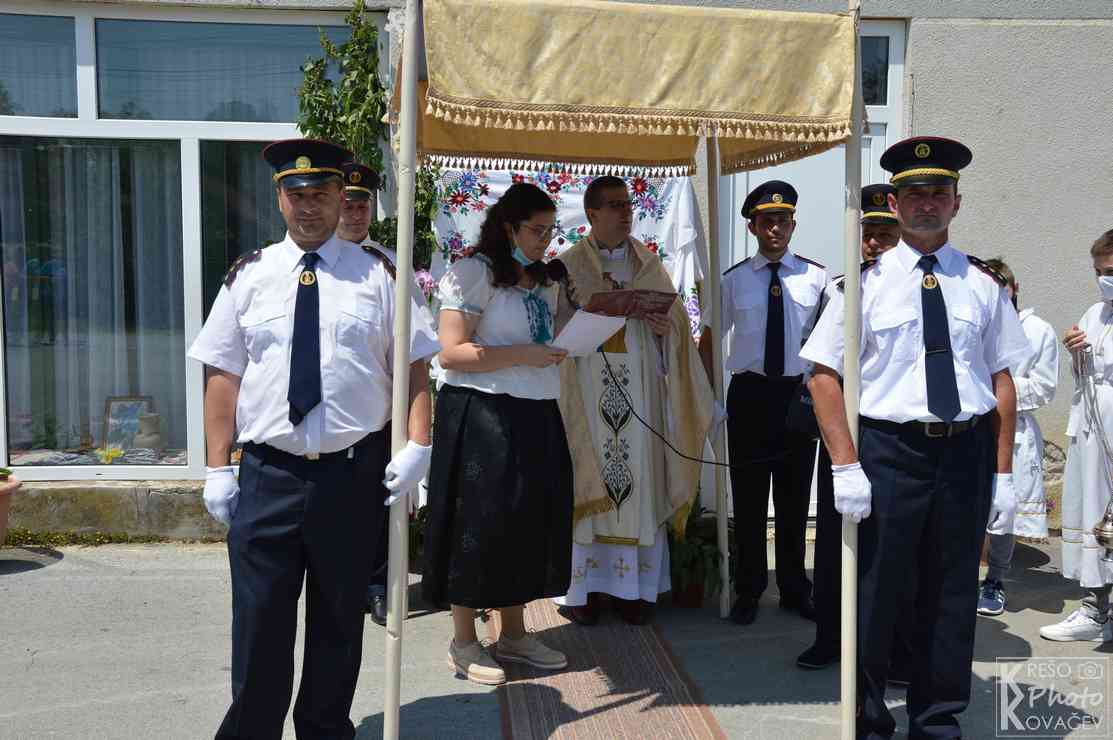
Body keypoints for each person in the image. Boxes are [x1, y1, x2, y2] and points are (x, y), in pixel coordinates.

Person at [188, 139, 439, 739]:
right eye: (296, 194)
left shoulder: (381, 275)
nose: (309, 206)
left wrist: (418, 446)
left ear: (340, 197)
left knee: (338, 624)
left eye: (321, 194)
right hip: (268, 476)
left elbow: (414, 368)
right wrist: (217, 467)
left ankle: (325, 731)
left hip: (350, 476)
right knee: (259, 624)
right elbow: (223, 376)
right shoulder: (249, 276)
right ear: (279, 198)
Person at [800, 136, 1029, 739]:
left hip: (964, 452)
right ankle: (870, 719)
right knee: (876, 593)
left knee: (951, 595)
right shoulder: (861, 285)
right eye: (914, 194)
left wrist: (1004, 475)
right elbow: (823, 376)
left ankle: (936, 719)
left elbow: (1001, 379)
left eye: (938, 193)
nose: (927, 204)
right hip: (889, 453)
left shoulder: (983, 285)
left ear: (957, 202)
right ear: (895, 205)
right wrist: (844, 465)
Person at [421, 182, 573, 686]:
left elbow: (551, 334)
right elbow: (450, 352)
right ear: (509, 227)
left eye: (550, 231)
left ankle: (513, 633)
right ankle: (464, 640)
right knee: (476, 523)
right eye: (536, 230)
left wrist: (573, 331)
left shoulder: (545, 279)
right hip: (481, 412)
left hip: (535, 410)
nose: (545, 240)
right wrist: (524, 355)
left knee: (525, 520)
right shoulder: (473, 273)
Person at [554, 176, 713, 627]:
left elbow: (676, 329)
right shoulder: (567, 268)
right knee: (590, 482)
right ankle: (583, 591)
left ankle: (634, 591)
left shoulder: (649, 264)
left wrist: (666, 332)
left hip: (639, 391)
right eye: (615, 205)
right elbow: (554, 333)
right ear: (591, 213)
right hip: (587, 392)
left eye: (628, 205)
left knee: (639, 482)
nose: (626, 213)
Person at [798, 184, 913, 676]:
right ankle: (831, 636)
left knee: (896, 543)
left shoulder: (917, 287)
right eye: (868, 233)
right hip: (845, 430)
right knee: (834, 539)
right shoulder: (841, 289)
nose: (873, 242)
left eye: (884, 233)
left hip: (895, 431)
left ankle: (897, 648)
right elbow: (820, 364)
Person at [700, 180, 825, 626]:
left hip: (797, 396)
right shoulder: (733, 280)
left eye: (783, 220)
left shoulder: (816, 278)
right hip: (750, 395)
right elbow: (709, 342)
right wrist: (710, 398)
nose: (776, 228)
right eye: (767, 220)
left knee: (794, 499)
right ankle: (749, 588)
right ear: (752, 227)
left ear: (793, 224)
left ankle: (794, 587)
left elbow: (829, 344)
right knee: (750, 500)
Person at [335, 161, 434, 628]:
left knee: (381, 501)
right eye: (348, 205)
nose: (355, 215)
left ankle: (378, 586)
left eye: (362, 206)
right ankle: (340, 585)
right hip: (331, 407)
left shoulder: (390, 263)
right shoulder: (314, 260)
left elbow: (417, 344)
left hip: (380, 405)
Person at [1039, 229, 1113, 642]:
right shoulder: (1094, 313)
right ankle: (1094, 608)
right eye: (1099, 272)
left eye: (1111, 271)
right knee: (1092, 511)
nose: (1105, 280)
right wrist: (1076, 353)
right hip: (1092, 427)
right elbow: (1088, 375)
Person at [976, 257, 1058, 617]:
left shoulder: (1037, 330)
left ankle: (996, 579)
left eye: (1003, 288)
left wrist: (996, 388)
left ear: (1014, 289)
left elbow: (1043, 387)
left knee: (1005, 510)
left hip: (1017, 429)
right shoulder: (976, 322)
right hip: (971, 429)